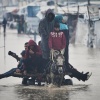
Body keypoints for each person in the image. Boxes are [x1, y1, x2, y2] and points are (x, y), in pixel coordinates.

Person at [54, 15, 92, 82]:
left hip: (57, 48)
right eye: (62, 19)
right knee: (66, 65)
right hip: (64, 48)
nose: (63, 20)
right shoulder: (64, 26)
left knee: (64, 65)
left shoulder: (54, 27)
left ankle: (82, 76)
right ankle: (82, 76)